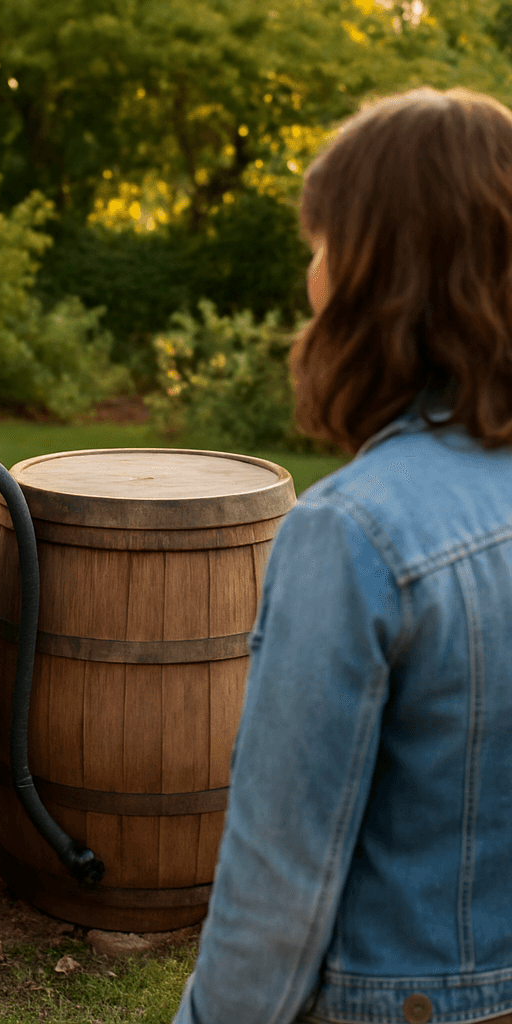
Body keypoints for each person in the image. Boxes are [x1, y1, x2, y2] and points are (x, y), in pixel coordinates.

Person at [171, 86, 512, 1024]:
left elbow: (278, 890)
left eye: (322, 245)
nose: (311, 279)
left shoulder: (355, 535)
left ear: (376, 273)